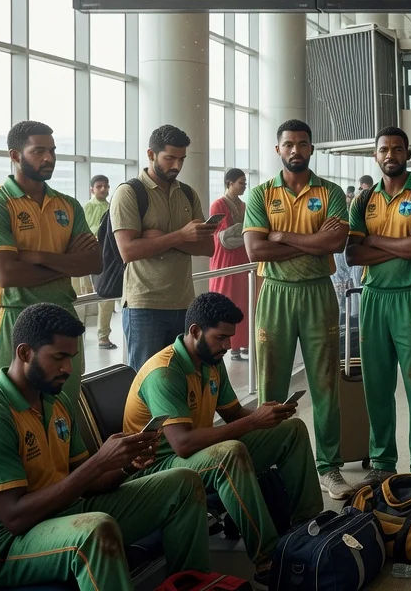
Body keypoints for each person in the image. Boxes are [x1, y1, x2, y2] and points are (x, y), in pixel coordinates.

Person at [0, 303, 210, 591]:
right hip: (6, 548)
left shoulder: (56, 401)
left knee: (184, 483)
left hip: (68, 513)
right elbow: (15, 517)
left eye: (71, 358)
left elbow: (87, 483)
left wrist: (124, 464)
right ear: (24, 353)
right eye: (59, 357)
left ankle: (192, 585)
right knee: (95, 531)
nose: (68, 368)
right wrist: (99, 462)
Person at [124, 293, 321, 578]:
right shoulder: (164, 373)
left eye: (230, 338)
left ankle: (309, 526)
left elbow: (234, 415)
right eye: (221, 338)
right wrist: (253, 422)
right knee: (229, 453)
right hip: (156, 468)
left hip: (197, 455)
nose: (228, 346)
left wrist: (267, 416)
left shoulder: (212, 362)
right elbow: (183, 444)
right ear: (195, 331)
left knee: (290, 430)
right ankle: (268, 559)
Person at [243, 119, 353, 499]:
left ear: (311, 148)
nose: (295, 150)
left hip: (318, 293)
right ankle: (266, 463)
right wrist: (313, 241)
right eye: (288, 144)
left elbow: (336, 242)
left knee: (325, 383)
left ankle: (329, 467)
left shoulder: (331, 192)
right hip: (275, 292)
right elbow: (255, 250)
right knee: (270, 383)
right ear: (278, 150)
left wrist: (282, 236)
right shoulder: (260, 195)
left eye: (302, 144)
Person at [0, 121, 100, 403]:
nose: (49, 158)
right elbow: (6, 274)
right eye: (38, 151)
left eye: (53, 151)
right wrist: (68, 262)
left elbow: (94, 262)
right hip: (14, 315)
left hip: (63, 314)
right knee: (14, 407)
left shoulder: (68, 205)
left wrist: (41, 257)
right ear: (15, 156)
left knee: (65, 405)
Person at [346, 127, 411, 482]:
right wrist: (399, 243)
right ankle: (383, 463)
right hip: (374, 299)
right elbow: (353, 254)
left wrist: (374, 240)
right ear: (375, 155)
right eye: (384, 149)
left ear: (407, 153)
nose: (391, 154)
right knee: (376, 386)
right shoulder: (363, 200)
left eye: (397, 149)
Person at [111, 126, 214, 370]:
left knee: (180, 377)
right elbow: (128, 251)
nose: (176, 165)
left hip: (183, 302)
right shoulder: (129, 193)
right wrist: (181, 236)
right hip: (144, 305)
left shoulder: (188, 194)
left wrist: (160, 239)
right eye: (170, 158)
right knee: (146, 381)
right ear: (151, 154)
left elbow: (208, 247)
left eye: (181, 159)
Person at [209, 168, 252, 362]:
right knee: (227, 298)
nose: (244, 186)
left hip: (241, 257)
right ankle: (229, 344)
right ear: (230, 183)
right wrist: (246, 230)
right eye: (241, 182)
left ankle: (241, 344)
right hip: (224, 258)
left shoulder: (243, 205)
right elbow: (225, 237)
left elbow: (236, 233)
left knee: (242, 298)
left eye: (244, 183)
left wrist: (242, 231)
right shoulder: (218, 204)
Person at [75, 175, 117, 351]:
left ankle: (103, 336)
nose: (103, 189)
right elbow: (81, 232)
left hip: (106, 259)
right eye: (99, 186)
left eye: (106, 186)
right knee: (83, 298)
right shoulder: (85, 207)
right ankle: (77, 338)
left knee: (106, 299)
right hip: (86, 258)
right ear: (92, 189)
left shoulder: (112, 208)